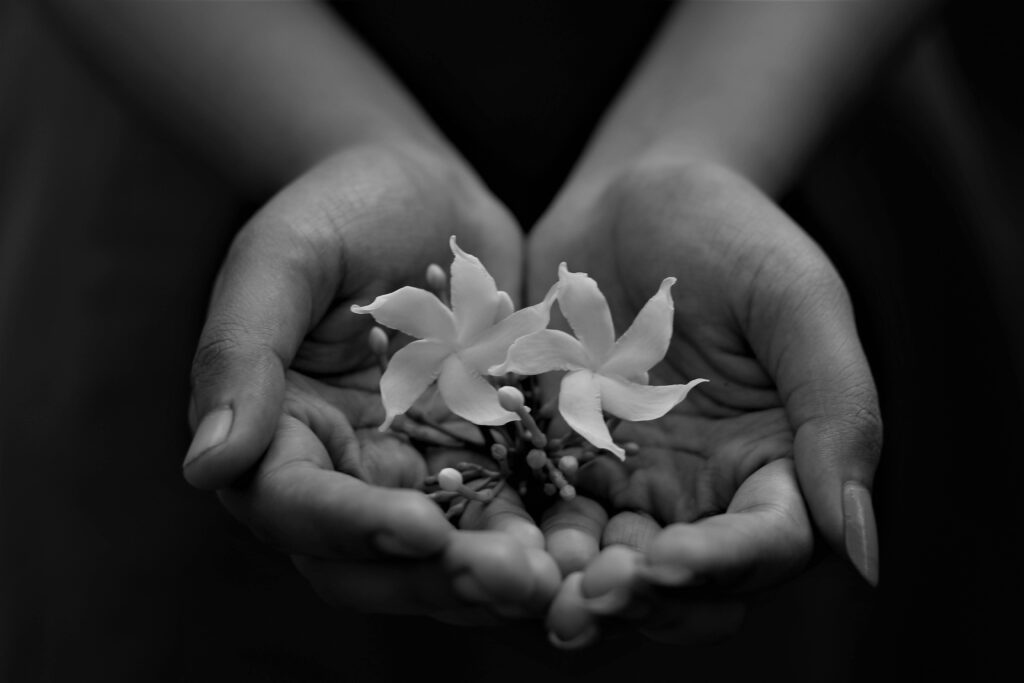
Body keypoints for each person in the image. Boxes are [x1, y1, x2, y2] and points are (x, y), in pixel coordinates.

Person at [43, 0, 936, 649]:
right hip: (222, 93)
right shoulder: (478, 353)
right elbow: (496, 358)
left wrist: (697, 148)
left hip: (779, 78)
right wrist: (348, 147)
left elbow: (548, 356)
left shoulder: (552, 363)